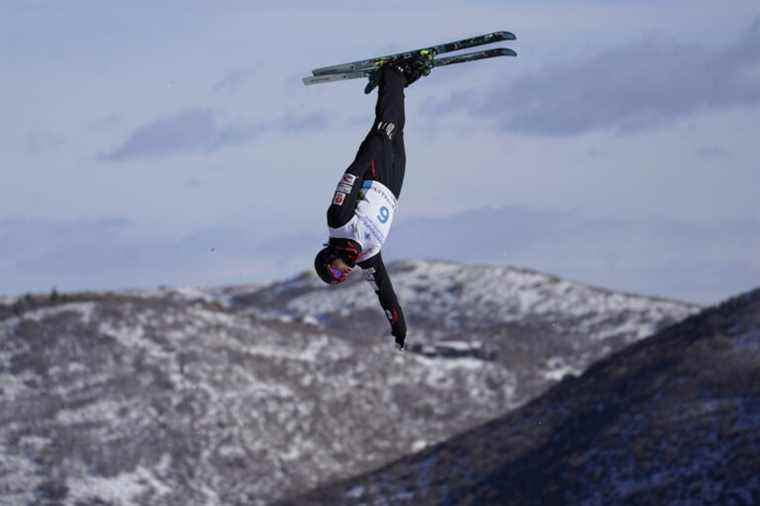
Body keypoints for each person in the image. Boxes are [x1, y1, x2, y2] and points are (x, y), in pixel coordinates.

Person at [313, 56, 431, 350]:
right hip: (393, 185)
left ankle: (393, 72)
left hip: (373, 170)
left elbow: (352, 173)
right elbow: (385, 294)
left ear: (330, 259)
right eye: (343, 277)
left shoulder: (338, 221)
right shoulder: (367, 255)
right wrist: (398, 327)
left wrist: (376, 140)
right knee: (399, 125)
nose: (345, 271)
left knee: (387, 125)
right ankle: (397, 83)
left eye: (338, 271)